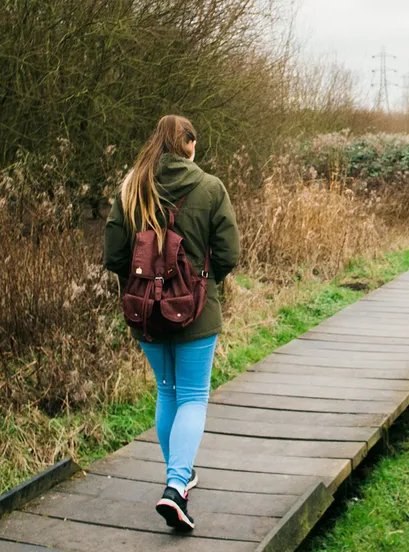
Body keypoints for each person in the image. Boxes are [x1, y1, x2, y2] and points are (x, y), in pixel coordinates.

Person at [103, 115, 239, 531]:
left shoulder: (131, 189)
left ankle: (177, 476)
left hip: (144, 311)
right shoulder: (210, 188)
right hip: (196, 310)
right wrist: (201, 281)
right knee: (193, 395)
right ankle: (177, 485)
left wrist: (146, 285)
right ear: (189, 145)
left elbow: (114, 255)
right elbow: (229, 253)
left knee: (167, 391)